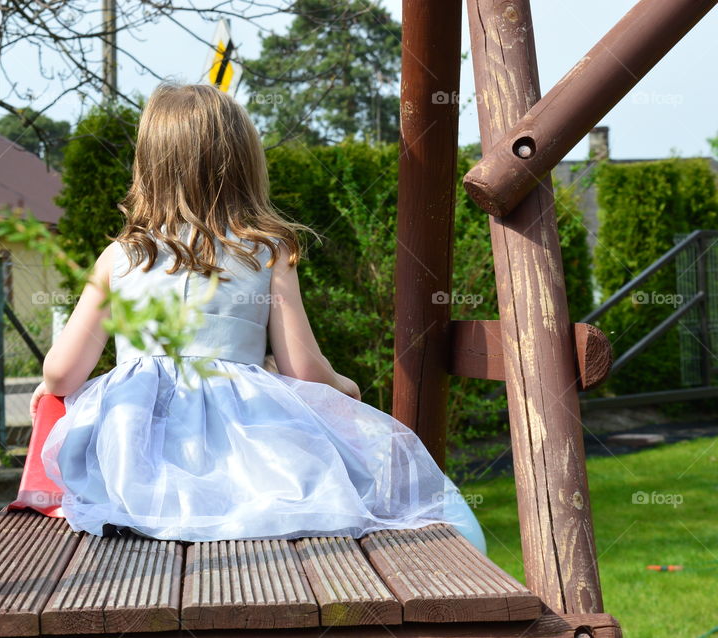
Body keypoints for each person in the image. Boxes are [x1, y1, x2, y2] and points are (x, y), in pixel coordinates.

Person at [30, 81, 486, 553]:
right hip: (244, 451)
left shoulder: (120, 258)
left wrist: (52, 388)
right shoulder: (268, 252)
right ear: (244, 166)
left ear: (148, 167)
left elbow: (62, 372)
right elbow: (302, 370)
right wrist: (342, 385)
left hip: (133, 460)